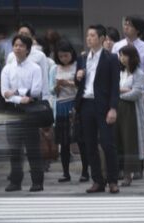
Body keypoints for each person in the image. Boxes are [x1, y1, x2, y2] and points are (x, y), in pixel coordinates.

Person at [114, 16, 144, 179]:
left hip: (137, 94)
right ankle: (121, 168)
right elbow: (113, 69)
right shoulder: (117, 46)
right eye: (125, 24)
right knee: (119, 133)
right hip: (119, 94)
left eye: (129, 25)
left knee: (138, 130)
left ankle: (138, 166)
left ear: (138, 30)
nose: (126, 27)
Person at [77, 25, 121, 194]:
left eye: (93, 35)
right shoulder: (83, 58)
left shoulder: (111, 58)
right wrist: (78, 77)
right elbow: (80, 84)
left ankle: (112, 180)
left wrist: (113, 108)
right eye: (87, 35)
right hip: (86, 104)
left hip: (103, 106)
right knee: (89, 145)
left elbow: (114, 87)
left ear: (102, 38)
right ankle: (97, 180)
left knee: (108, 144)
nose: (89, 38)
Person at [0, 34, 45, 193]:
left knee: (32, 148)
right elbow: (4, 93)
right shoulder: (7, 68)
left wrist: (16, 92)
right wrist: (20, 98)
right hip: (12, 111)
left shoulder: (35, 68)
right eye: (15, 45)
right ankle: (15, 181)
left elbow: (36, 91)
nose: (17, 48)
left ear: (27, 49)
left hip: (30, 111)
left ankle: (37, 182)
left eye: (21, 46)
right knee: (14, 149)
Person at [115, 45, 144, 187]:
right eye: (120, 55)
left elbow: (136, 93)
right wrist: (123, 90)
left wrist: (120, 93)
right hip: (118, 108)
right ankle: (119, 170)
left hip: (131, 109)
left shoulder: (138, 73)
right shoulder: (120, 72)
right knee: (118, 140)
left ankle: (129, 173)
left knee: (130, 141)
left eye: (124, 55)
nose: (122, 58)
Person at [53, 41, 83, 183]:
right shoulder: (55, 68)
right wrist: (57, 86)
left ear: (71, 53)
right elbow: (52, 90)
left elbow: (82, 86)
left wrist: (68, 83)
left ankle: (85, 171)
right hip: (61, 105)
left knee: (80, 139)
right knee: (64, 142)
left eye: (66, 55)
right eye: (61, 56)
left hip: (74, 103)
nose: (64, 58)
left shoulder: (78, 66)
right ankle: (66, 172)